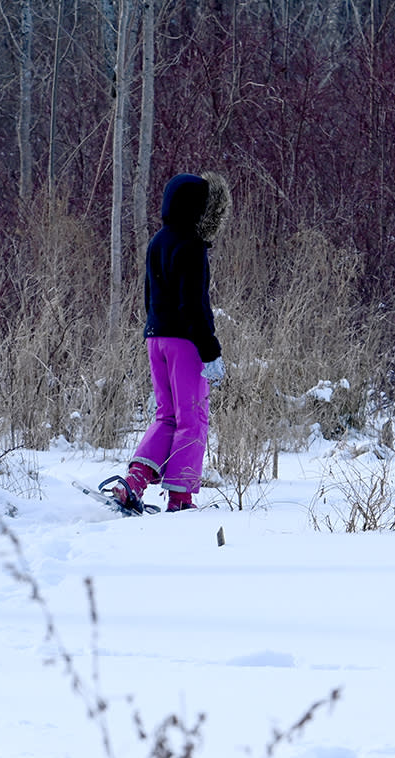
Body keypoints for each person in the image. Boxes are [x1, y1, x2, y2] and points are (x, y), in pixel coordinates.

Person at [105, 171, 231, 513]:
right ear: (197, 208)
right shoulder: (192, 245)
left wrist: (155, 329)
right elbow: (194, 304)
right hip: (184, 343)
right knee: (193, 418)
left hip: (155, 337)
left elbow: (150, 297)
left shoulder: (158, 240)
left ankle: (133, 482)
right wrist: (211, 350)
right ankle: (180, 498)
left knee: (167, 416)